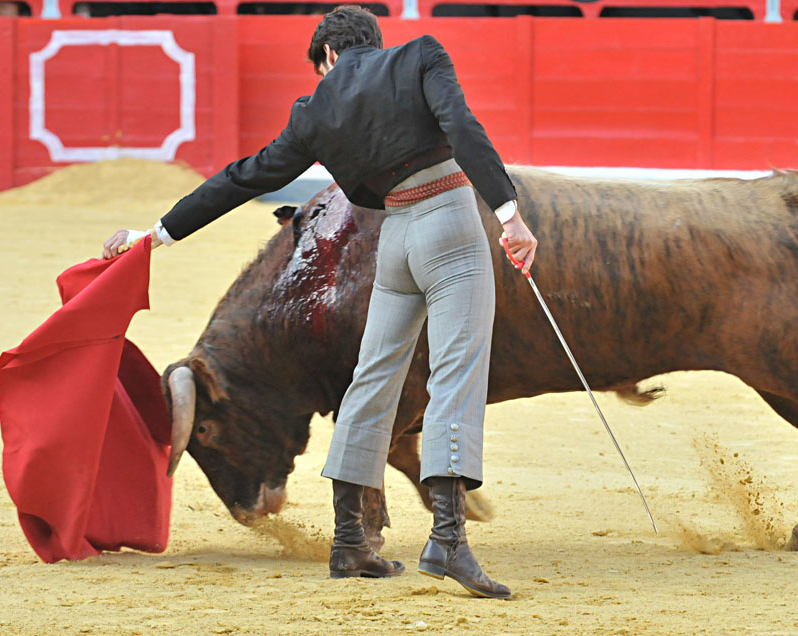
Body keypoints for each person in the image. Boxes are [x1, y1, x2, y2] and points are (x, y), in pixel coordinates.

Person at [103, 6, 537, 599]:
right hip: (449, 223)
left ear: (327, 56)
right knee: (457, 372)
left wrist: (151, 236)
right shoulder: (419, 57)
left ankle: (350, 540)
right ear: (371, 45)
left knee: (372, 379)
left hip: (393, 237)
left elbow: (241, 178)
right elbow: (460, 126)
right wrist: (510, 215)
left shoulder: (314, 110)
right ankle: (448, 541)